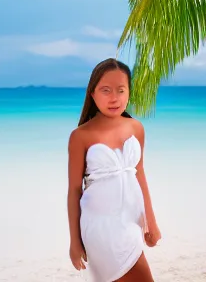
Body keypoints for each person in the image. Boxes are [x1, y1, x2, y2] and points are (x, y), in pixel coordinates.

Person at [67, 58, 161, 281]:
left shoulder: (136, 128)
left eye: (121, 90)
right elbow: (74, 191)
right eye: (105, 90)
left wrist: (151, 221)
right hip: (99, 229)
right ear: (93, 94)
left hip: (131, 223)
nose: (114, 98)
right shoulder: (81, 136)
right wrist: (74, 241)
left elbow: (140, 174)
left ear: (129, 92)